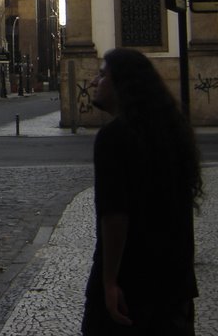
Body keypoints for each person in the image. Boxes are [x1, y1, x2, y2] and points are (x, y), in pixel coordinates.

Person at [83, 48, 202, 335]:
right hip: (175, 284)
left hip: (131, 284)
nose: (93, 82)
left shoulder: (113, 138)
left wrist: (110, 281)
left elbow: (115, 216)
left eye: (102, 75)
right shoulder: (174, 132)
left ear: (122, 84)